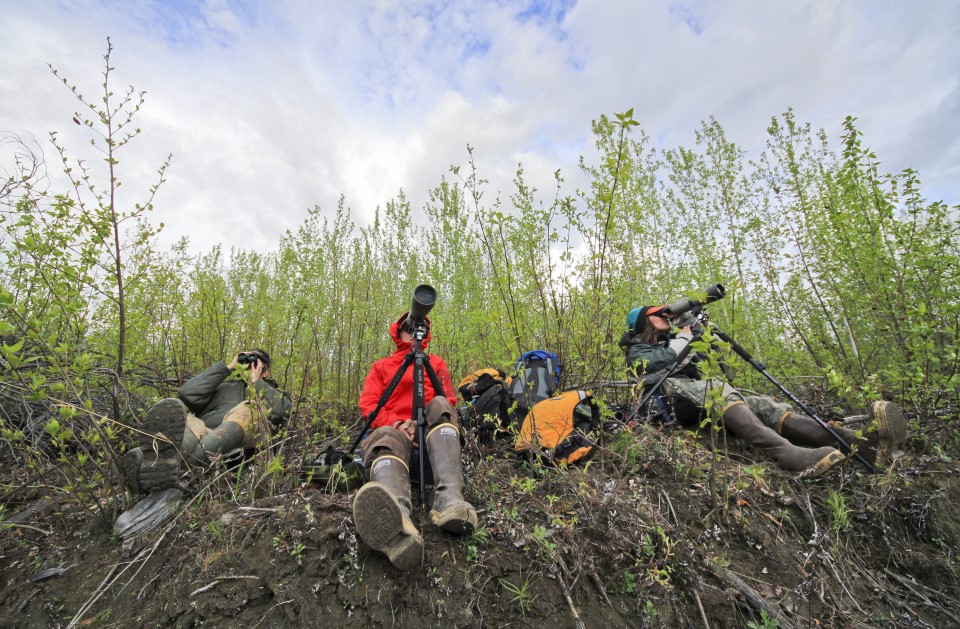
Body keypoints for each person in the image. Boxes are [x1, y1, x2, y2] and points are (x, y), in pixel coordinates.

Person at [620, 305, 907, 477]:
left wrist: (700, 334)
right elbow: (659, 365)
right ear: (644, 322)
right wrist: (684, 337)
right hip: (667, 399)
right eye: (659, 314)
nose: (667, 317)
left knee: (761, 403)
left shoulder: (675, 340)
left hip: (694, 393)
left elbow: (704, 362)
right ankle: (787, 454)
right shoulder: (637, 350)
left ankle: (858, 443)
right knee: (718, 389)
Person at [352, 312, 477, 571]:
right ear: (398, 333)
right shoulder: (381, 366)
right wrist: (398, 424)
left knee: (441, 404)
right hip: (395, 435)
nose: (413, 332)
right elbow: (369, 405)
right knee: (384, 437)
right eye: (407, 327)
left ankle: (450, 500)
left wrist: (421, 425)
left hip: (431, 441)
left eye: (418, 326)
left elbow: (449, 402)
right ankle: (398, 520)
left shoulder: (436, 363)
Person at [122, 348, 292, 493]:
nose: (250, 365)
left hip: (242, 446)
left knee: (248, 410)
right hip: (206, 435)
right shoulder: (223, 387)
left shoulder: (274, 392)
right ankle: (158, 461)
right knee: (191, 421)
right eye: (247, 361)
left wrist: (256, 383)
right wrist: (227, 368)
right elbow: (187, 393)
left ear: (266, 371)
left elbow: (280, 411)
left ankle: (173, 467)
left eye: (256, 363)